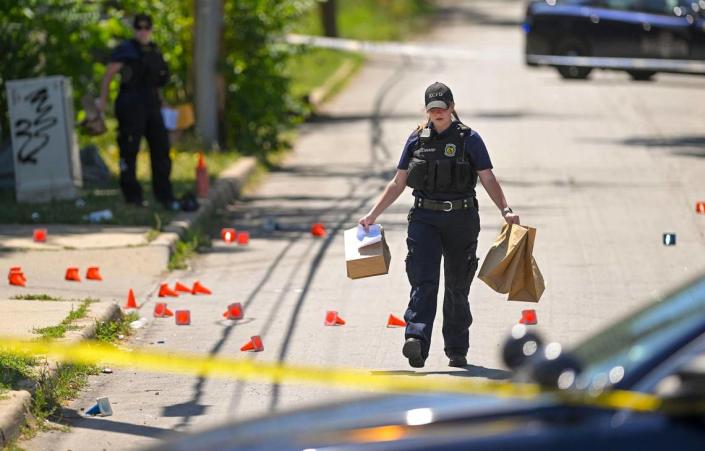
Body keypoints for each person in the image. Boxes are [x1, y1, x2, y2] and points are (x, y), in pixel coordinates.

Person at [359, 82, 520, 369]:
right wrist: (372, 215)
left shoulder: (469, 139)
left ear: (452, 107)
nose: (437, 113)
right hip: (424, 219)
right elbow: (398, 183)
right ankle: (416, 341)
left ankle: (457, 349)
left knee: (458, 285)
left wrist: (505, 209)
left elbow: (488, 178)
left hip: (462, 218)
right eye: (432, 109)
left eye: (442, 108)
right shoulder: (416, 139)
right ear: (427, 110)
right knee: (424, 281)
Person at [97, 13, 179, 210]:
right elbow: (108, 76)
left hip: (152, 105)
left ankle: (164, 196)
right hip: (130, 105)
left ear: (151, 29)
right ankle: (132, 197)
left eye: (146, 28)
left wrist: (164, 104)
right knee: (129, 150)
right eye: (139, 28)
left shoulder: (155, 51)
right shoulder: (125, 50)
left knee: (161, 149)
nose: (143, 32)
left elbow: (156, 83)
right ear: (134, 29)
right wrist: (103, 101)